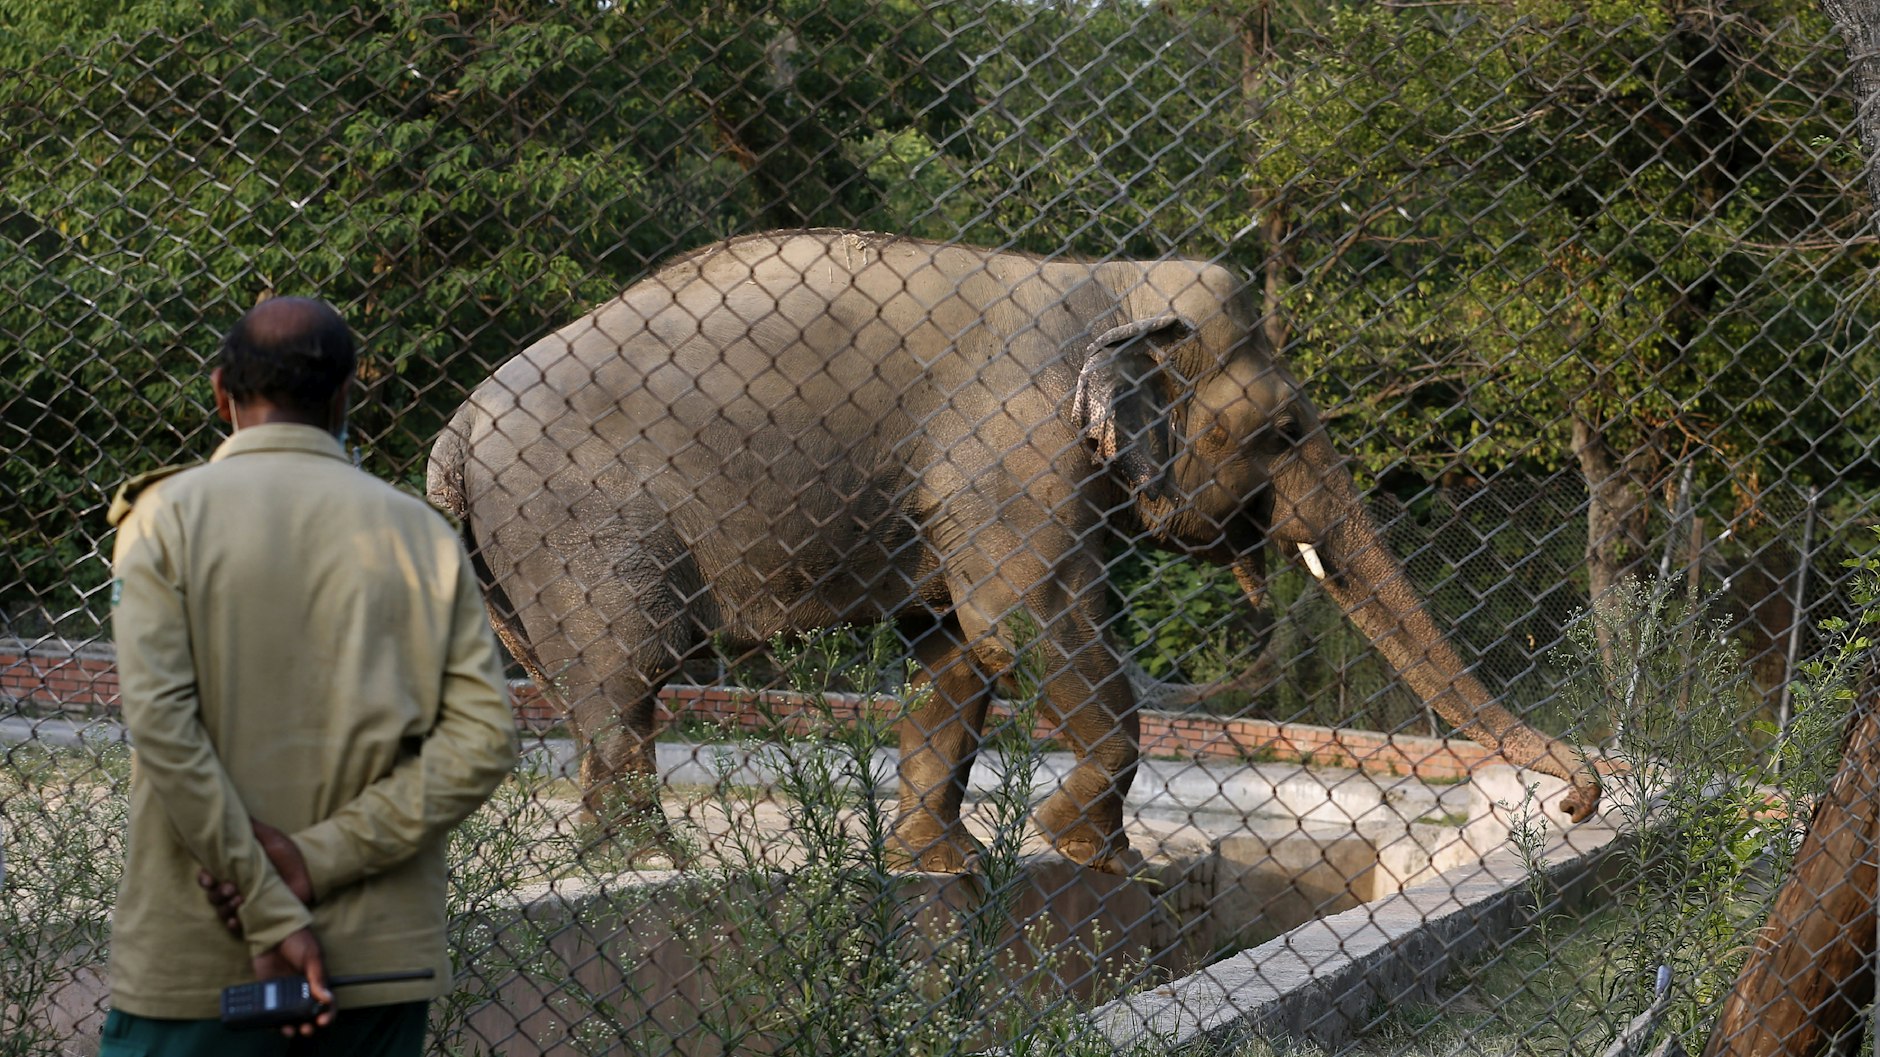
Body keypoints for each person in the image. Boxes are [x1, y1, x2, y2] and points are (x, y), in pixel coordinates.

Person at [101, 297, 519, 1056]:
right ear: (343, 396)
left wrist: (266, 907)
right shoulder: (420, 534)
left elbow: (162, 728)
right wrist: (315, 859)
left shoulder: (163, 518)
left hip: (201, 957)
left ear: (220, 392)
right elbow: (483, 741)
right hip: (375, 964)